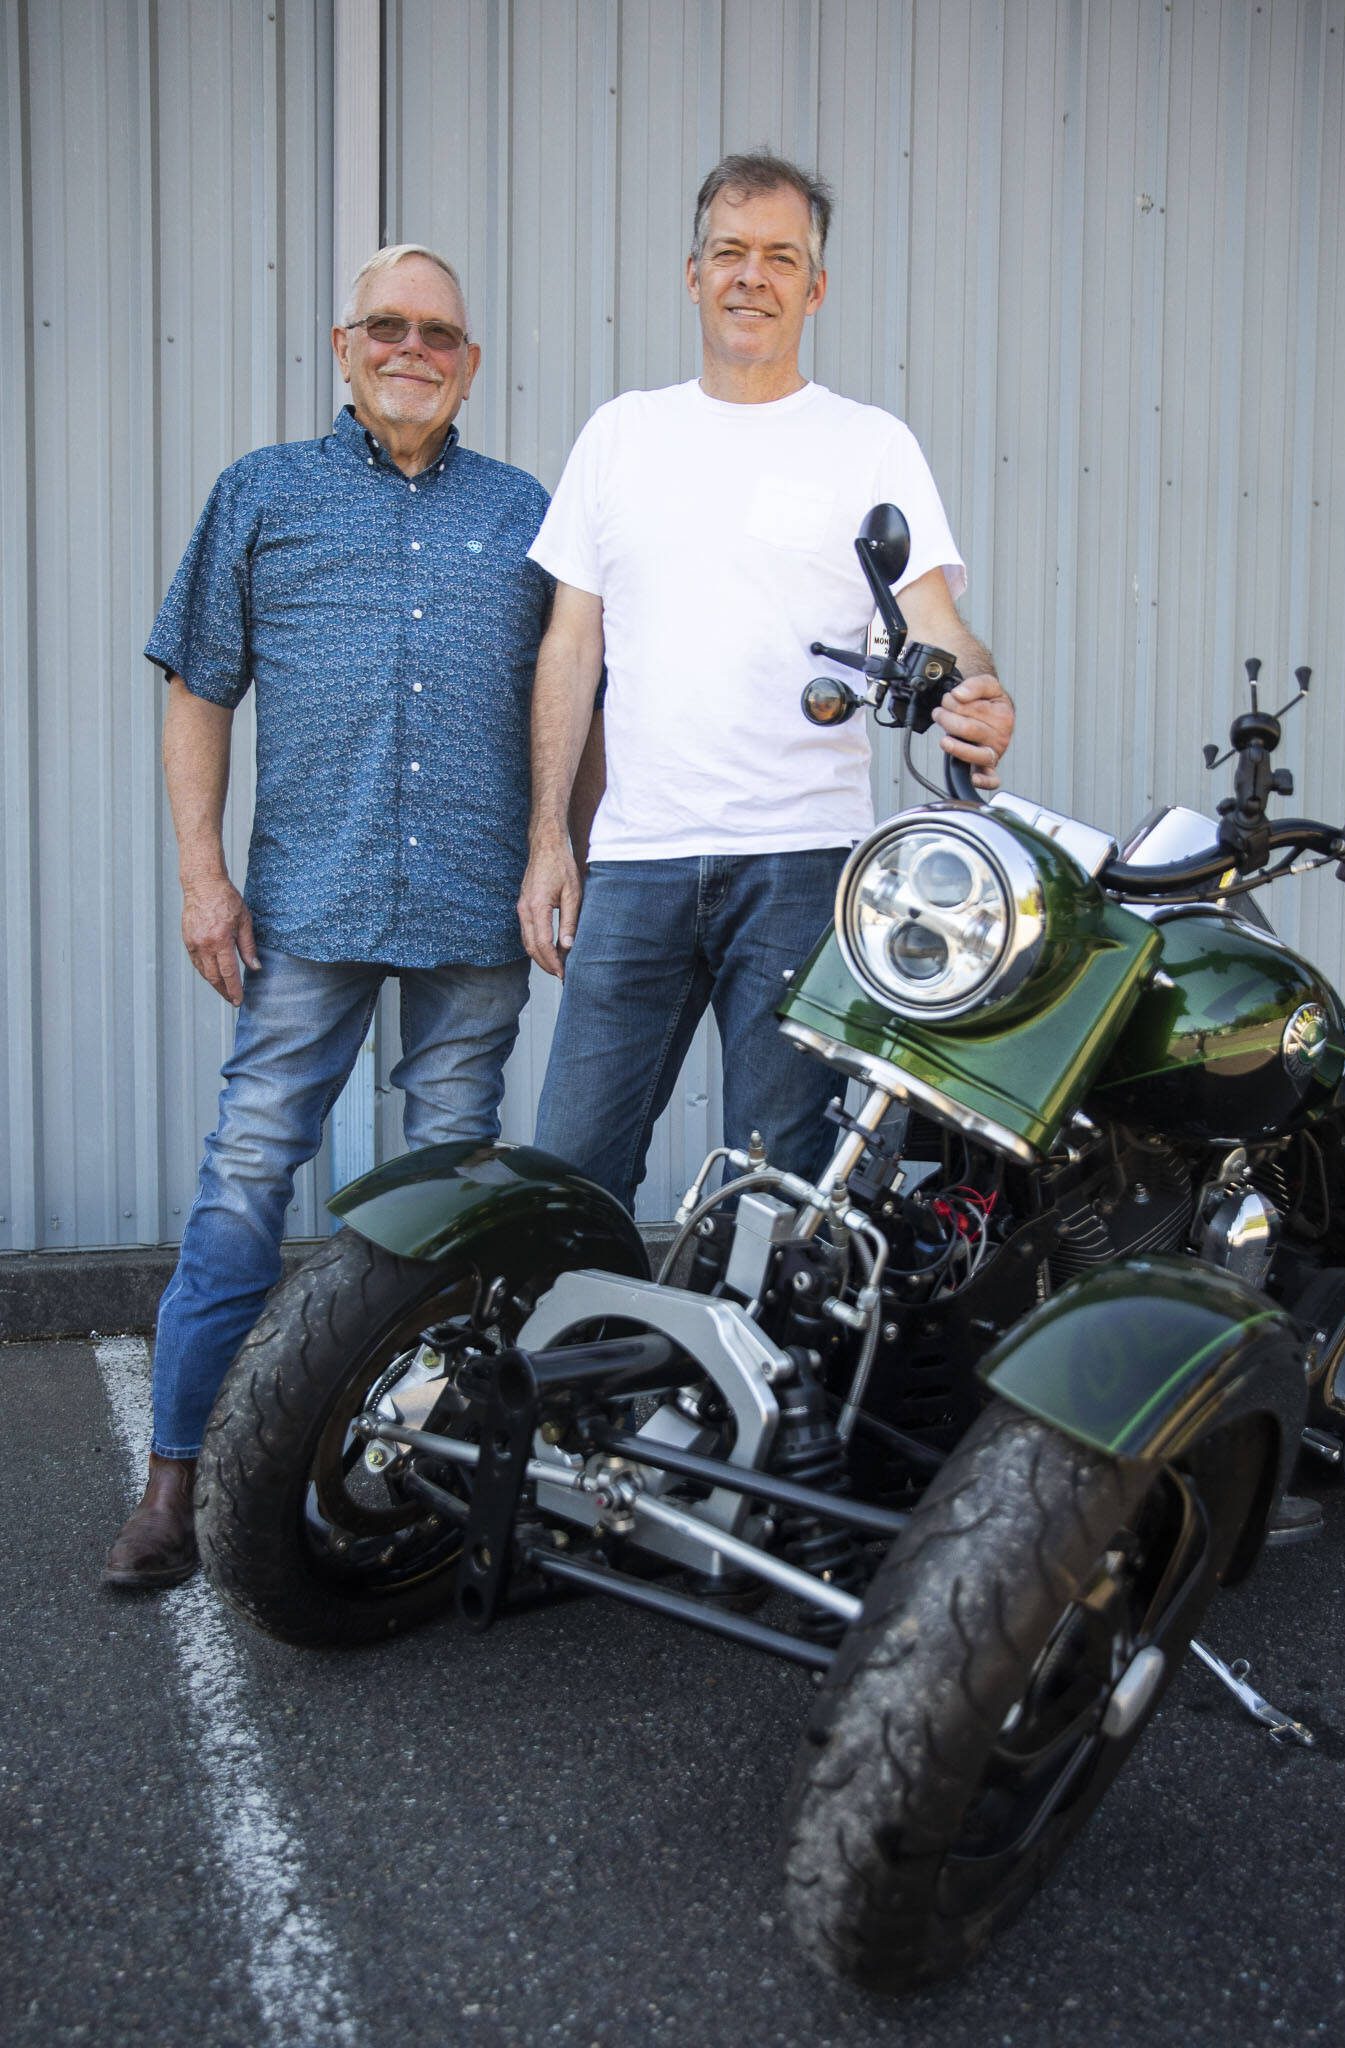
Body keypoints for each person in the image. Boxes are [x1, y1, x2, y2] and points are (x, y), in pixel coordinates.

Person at [104, 245, 552, 1589]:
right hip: (309, 901)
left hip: (477, 916)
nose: (415, 347)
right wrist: (201, 877)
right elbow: (198, 683)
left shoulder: (527, 513)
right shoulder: (262, 494)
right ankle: (175, 1485)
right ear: (345, 347)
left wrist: (561, 851)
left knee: (446, 1199)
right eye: (389, 326)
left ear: (468, 364)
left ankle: (422, 1468)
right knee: (247, 1176)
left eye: (442, 333)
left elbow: (568, 705)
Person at [518, 151, 1014, 1210]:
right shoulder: (621, 434)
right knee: (566, 1174)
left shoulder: (867, 445)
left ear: (815, 286)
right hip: (638, 859)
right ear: (690, 272)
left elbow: (937, 628)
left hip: (802, 866)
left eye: (780, 257)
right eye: (730, 253)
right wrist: (549, 841)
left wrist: (979, 688)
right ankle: (572, 1375)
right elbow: (570, 648)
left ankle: (750, 1381)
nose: (753, 276)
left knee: (782, 1193)